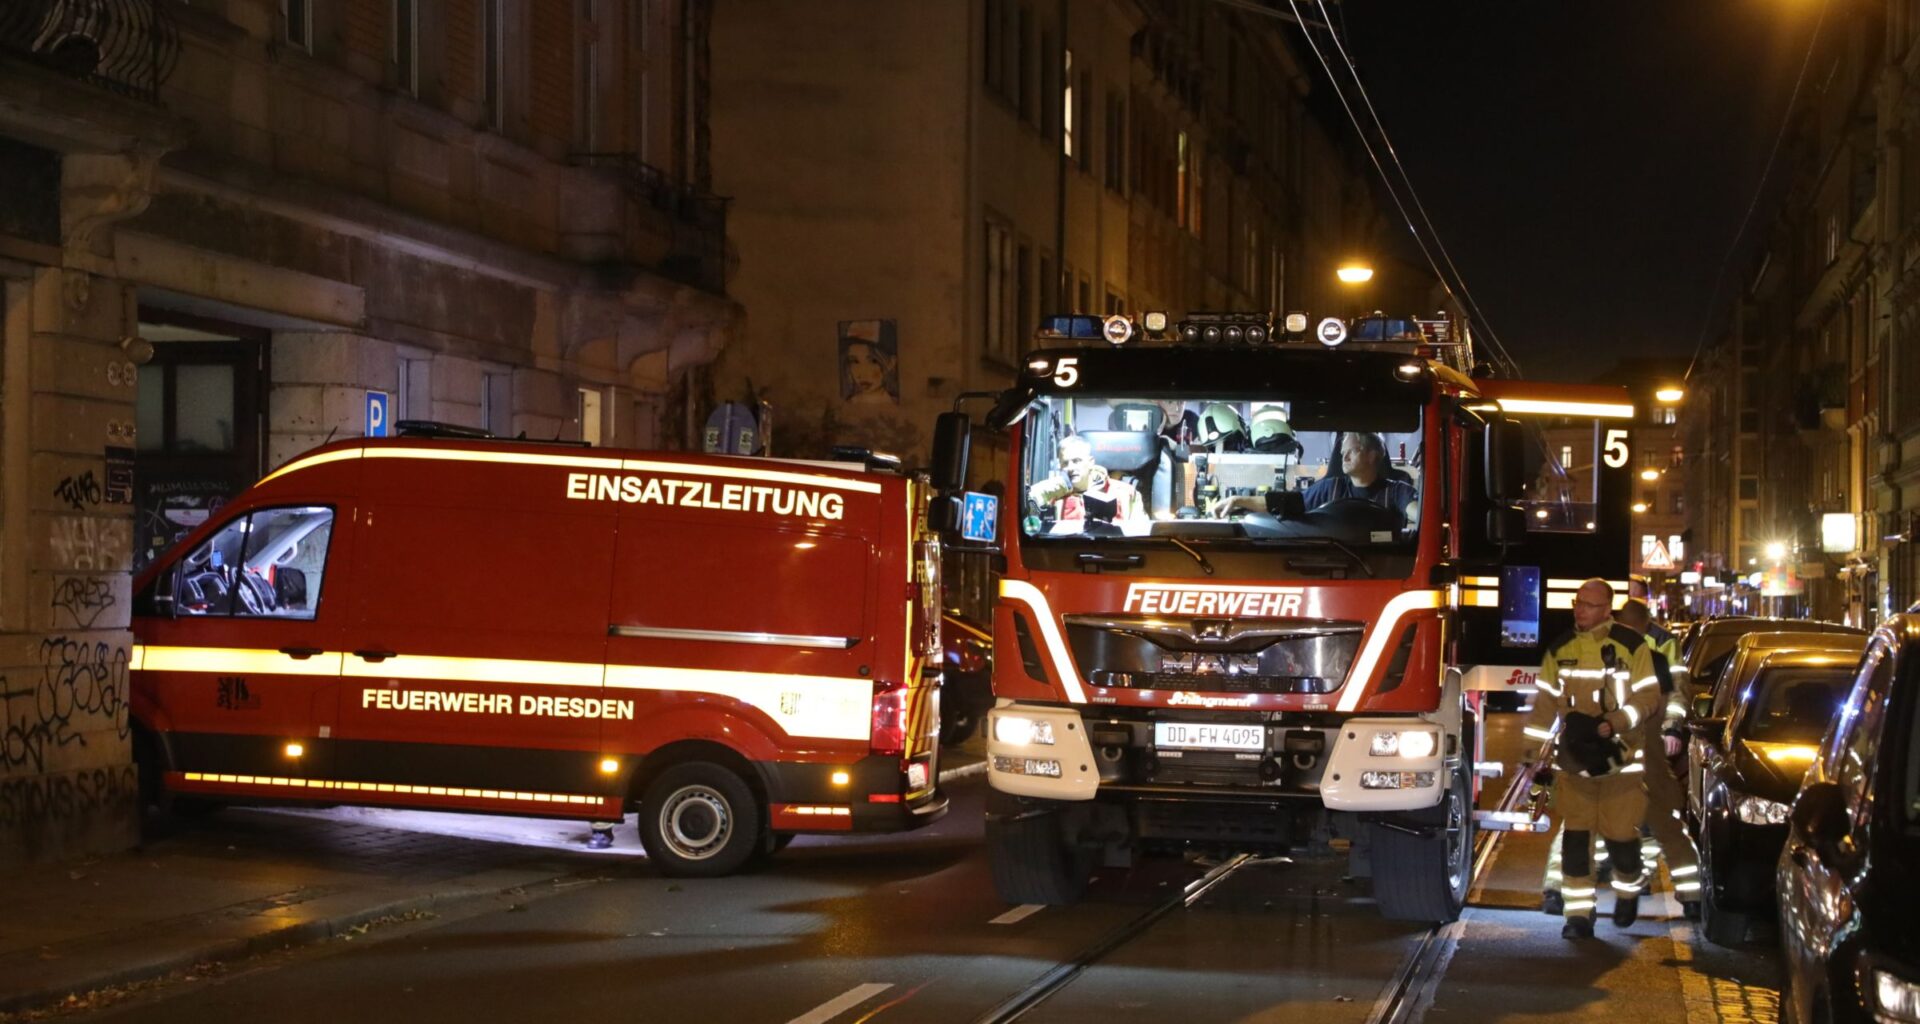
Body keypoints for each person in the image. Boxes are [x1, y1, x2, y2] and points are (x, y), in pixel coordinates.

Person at [1540, 597, 1702, 919]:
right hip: (1630, 754)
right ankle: (1688, 893)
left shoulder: (1628, 653)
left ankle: (1561, 890)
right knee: (1661, 822)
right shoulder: (1650, 655)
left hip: (1616, 753)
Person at [1522, 578, 1663, 939]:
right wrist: (1532, 756)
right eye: (1577, 602)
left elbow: (1649, 699)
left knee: (1620, 838)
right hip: (1575, 761)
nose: (1579, 609)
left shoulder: (1632, 646)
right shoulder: (1561, 648)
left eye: (1587, 604)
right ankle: (1579, 915)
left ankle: (1628, 888)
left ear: (1606, 609)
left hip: (1621, 763)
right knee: (1575, 840)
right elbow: (1544, 706)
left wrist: (1616, 721)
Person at [1028, 434, 1146, 525]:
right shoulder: (1053, 496)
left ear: (1091, 463)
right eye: (1065, 463)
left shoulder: (1127, 494)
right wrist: (1050, 490)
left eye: (1076, 461)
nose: (1070, 468)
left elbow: (1140, 535)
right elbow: (1025, 510)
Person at [1303, 432, 1417, 515]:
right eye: (1343, 453)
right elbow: (1291, 505)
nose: (1344, 458)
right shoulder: (1328, 488)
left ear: (1371, 456)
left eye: (1352, 451)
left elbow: (1420, 514)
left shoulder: (1397, 491)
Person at [840, 338, 898, 405]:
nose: (862, 374)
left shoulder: (900, 405)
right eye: (855, 361)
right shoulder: (845, 406)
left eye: (873, 361)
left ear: (891, 363)